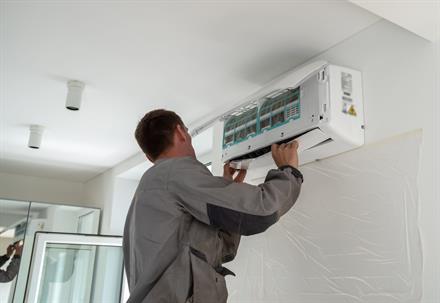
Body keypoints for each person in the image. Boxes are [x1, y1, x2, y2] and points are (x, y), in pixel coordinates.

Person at [123, 109, 303, 303]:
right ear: (181, 132)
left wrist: (228, 190)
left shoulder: (151, 187)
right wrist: (288, 172)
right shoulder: (175, 173)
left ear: (150, 157)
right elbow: (262, 210)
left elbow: (219, 250)